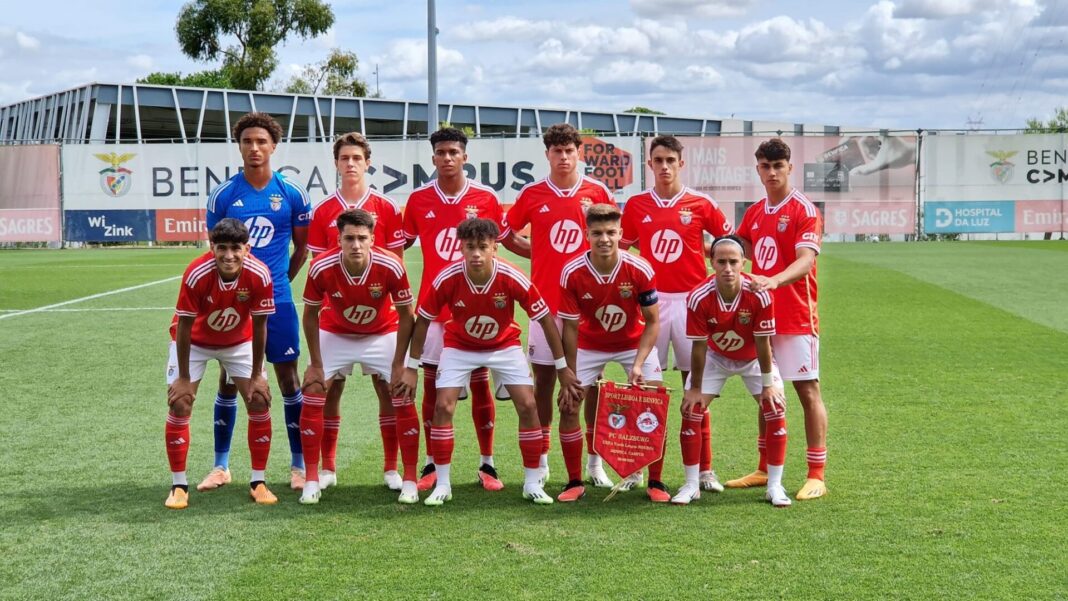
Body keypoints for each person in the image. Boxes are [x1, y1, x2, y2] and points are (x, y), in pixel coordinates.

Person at [395, 218, 580, 506]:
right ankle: (442, 484)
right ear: (461, 248)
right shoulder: (447, 277)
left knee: (528, 404)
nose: (477, 254)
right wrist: (411, 367)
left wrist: (562, 368)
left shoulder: (511, 276)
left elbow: (544, 318)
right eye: (470, 247)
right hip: (459, 346)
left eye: (483, 247)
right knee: (443, 405)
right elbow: (423, 322)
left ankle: (532, 482)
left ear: (495, 247)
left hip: (503, 346)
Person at [402, 127, 530, 493]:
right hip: (433, 307)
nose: (447, 158)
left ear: (464, 156)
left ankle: (487, 463)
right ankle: (431, 462)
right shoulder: (417, 200)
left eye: (453, 152)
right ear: (433, 158)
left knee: (479, 381)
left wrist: (550, 256)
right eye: (440, 152)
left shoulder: (486, 197)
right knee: (433, 388)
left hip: (479, 305)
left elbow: (508, 242)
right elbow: (397, 244)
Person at [200, 112, 311, 493]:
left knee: (287, 378)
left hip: (277, 300)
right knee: (230, 379)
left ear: (273, 146)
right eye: (247, 141)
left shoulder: (292, 193)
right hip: (236, 306)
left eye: (261, 141)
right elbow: (216, 252)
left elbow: (303, 249)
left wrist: (276, 283)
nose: (254, 148)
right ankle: (221, 466)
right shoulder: (224, 195)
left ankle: (298, 466)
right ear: (240, 145)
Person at [620, 134, 733, 493]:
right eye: (658, 160)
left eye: (671, 160)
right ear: (649, 164)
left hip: (690, 302)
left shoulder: (701, 203)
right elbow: (622, 252)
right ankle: (638, 469)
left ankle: (704, 470)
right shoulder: (636, 205)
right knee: (645, 388)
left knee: (695, 384)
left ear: (681, 164)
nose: (665, 166)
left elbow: (730, 244)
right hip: (651, 304)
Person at [505, 123, 615, 483]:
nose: (564, 157)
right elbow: (507, 232)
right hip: (545, 304)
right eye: (557, 151)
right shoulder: (534, 193)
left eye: (570, 151)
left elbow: (612, 238)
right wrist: (534, 250)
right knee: (545, 379)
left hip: (587, 305)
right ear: (547, 154)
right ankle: (543, 457)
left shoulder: (596, 192)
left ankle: (594, 462)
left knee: (592, 381)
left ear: (579, 153)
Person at [307, 133, 407, 491]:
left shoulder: (388, 207)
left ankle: (392, 469)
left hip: (382, 322)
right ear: (335, 163)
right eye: (344, 158)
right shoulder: (322, 211)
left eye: (356, 158)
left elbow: (397, 262)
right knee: (329, 390)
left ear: (367, 163)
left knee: (388, 388)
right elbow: (318, 267)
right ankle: (328, 468)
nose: (350, 163)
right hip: (335, 322)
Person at [299, 209, 419, 505]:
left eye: (361, 238)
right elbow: (310, 315)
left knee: (398, 391)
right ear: (338, 240)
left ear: (372, 239)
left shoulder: (391, 265)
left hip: (381, 333)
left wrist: (399, 365)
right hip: (336, 332)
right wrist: (315, 364)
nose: (355, 244)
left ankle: (404, 475)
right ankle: (316, 475)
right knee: (315, 389)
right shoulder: (320, 267)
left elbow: (407, 316)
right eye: (349, 238)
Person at [732, 138, 828, 501]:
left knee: (807, 391)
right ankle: (764, 467)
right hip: (761, 317)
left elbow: (806, 260)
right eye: (765, 167)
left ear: (790, 168)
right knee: (765, 391)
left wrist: (773, 279)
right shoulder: (755, 212)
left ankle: (816, 473)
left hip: (796, 317)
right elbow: (736, 250)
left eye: (778, 166)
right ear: (758, 169)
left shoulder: (804, 209)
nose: (771, 173)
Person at [164, 218, 276, 509]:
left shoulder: (259, 274)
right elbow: (185, 327)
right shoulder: (196, 273)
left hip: (239, 341)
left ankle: (258, 481)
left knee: (259, 400)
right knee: (181, 402)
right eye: (221, 248)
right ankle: (178, 485)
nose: (229, 255)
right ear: (211, 247)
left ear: (247, 248)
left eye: (236, 248)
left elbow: (261, 325)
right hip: (195, 342)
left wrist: (256, 375)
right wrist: (185, 377)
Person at [556, 204, 665, 502]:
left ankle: (656, 482)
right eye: (597, 233)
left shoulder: (639, 268)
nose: (604, 239)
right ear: (586, 235)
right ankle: (574, 481)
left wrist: (639, 364)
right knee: (568, 404)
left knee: (655, 400)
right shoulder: (572, 272)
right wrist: (569, 374)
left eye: (610, 232)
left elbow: (653, 321)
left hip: (633, 343)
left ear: (621, 234)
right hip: (589, 344)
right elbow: (570, 328)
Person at [675, 236, 790, 507]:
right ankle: (691, 484)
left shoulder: (759, 293)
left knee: (774, 407)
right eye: (722, 262)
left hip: (753, 359)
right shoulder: (698, 297)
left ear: (743, 263)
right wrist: (694, 389)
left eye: (733, 262)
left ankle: (775, 485)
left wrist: (767, 385)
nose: (728, 268)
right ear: (711, 262)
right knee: (692, 409)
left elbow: (763, 343)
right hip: (716, 357)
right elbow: (699, 347)